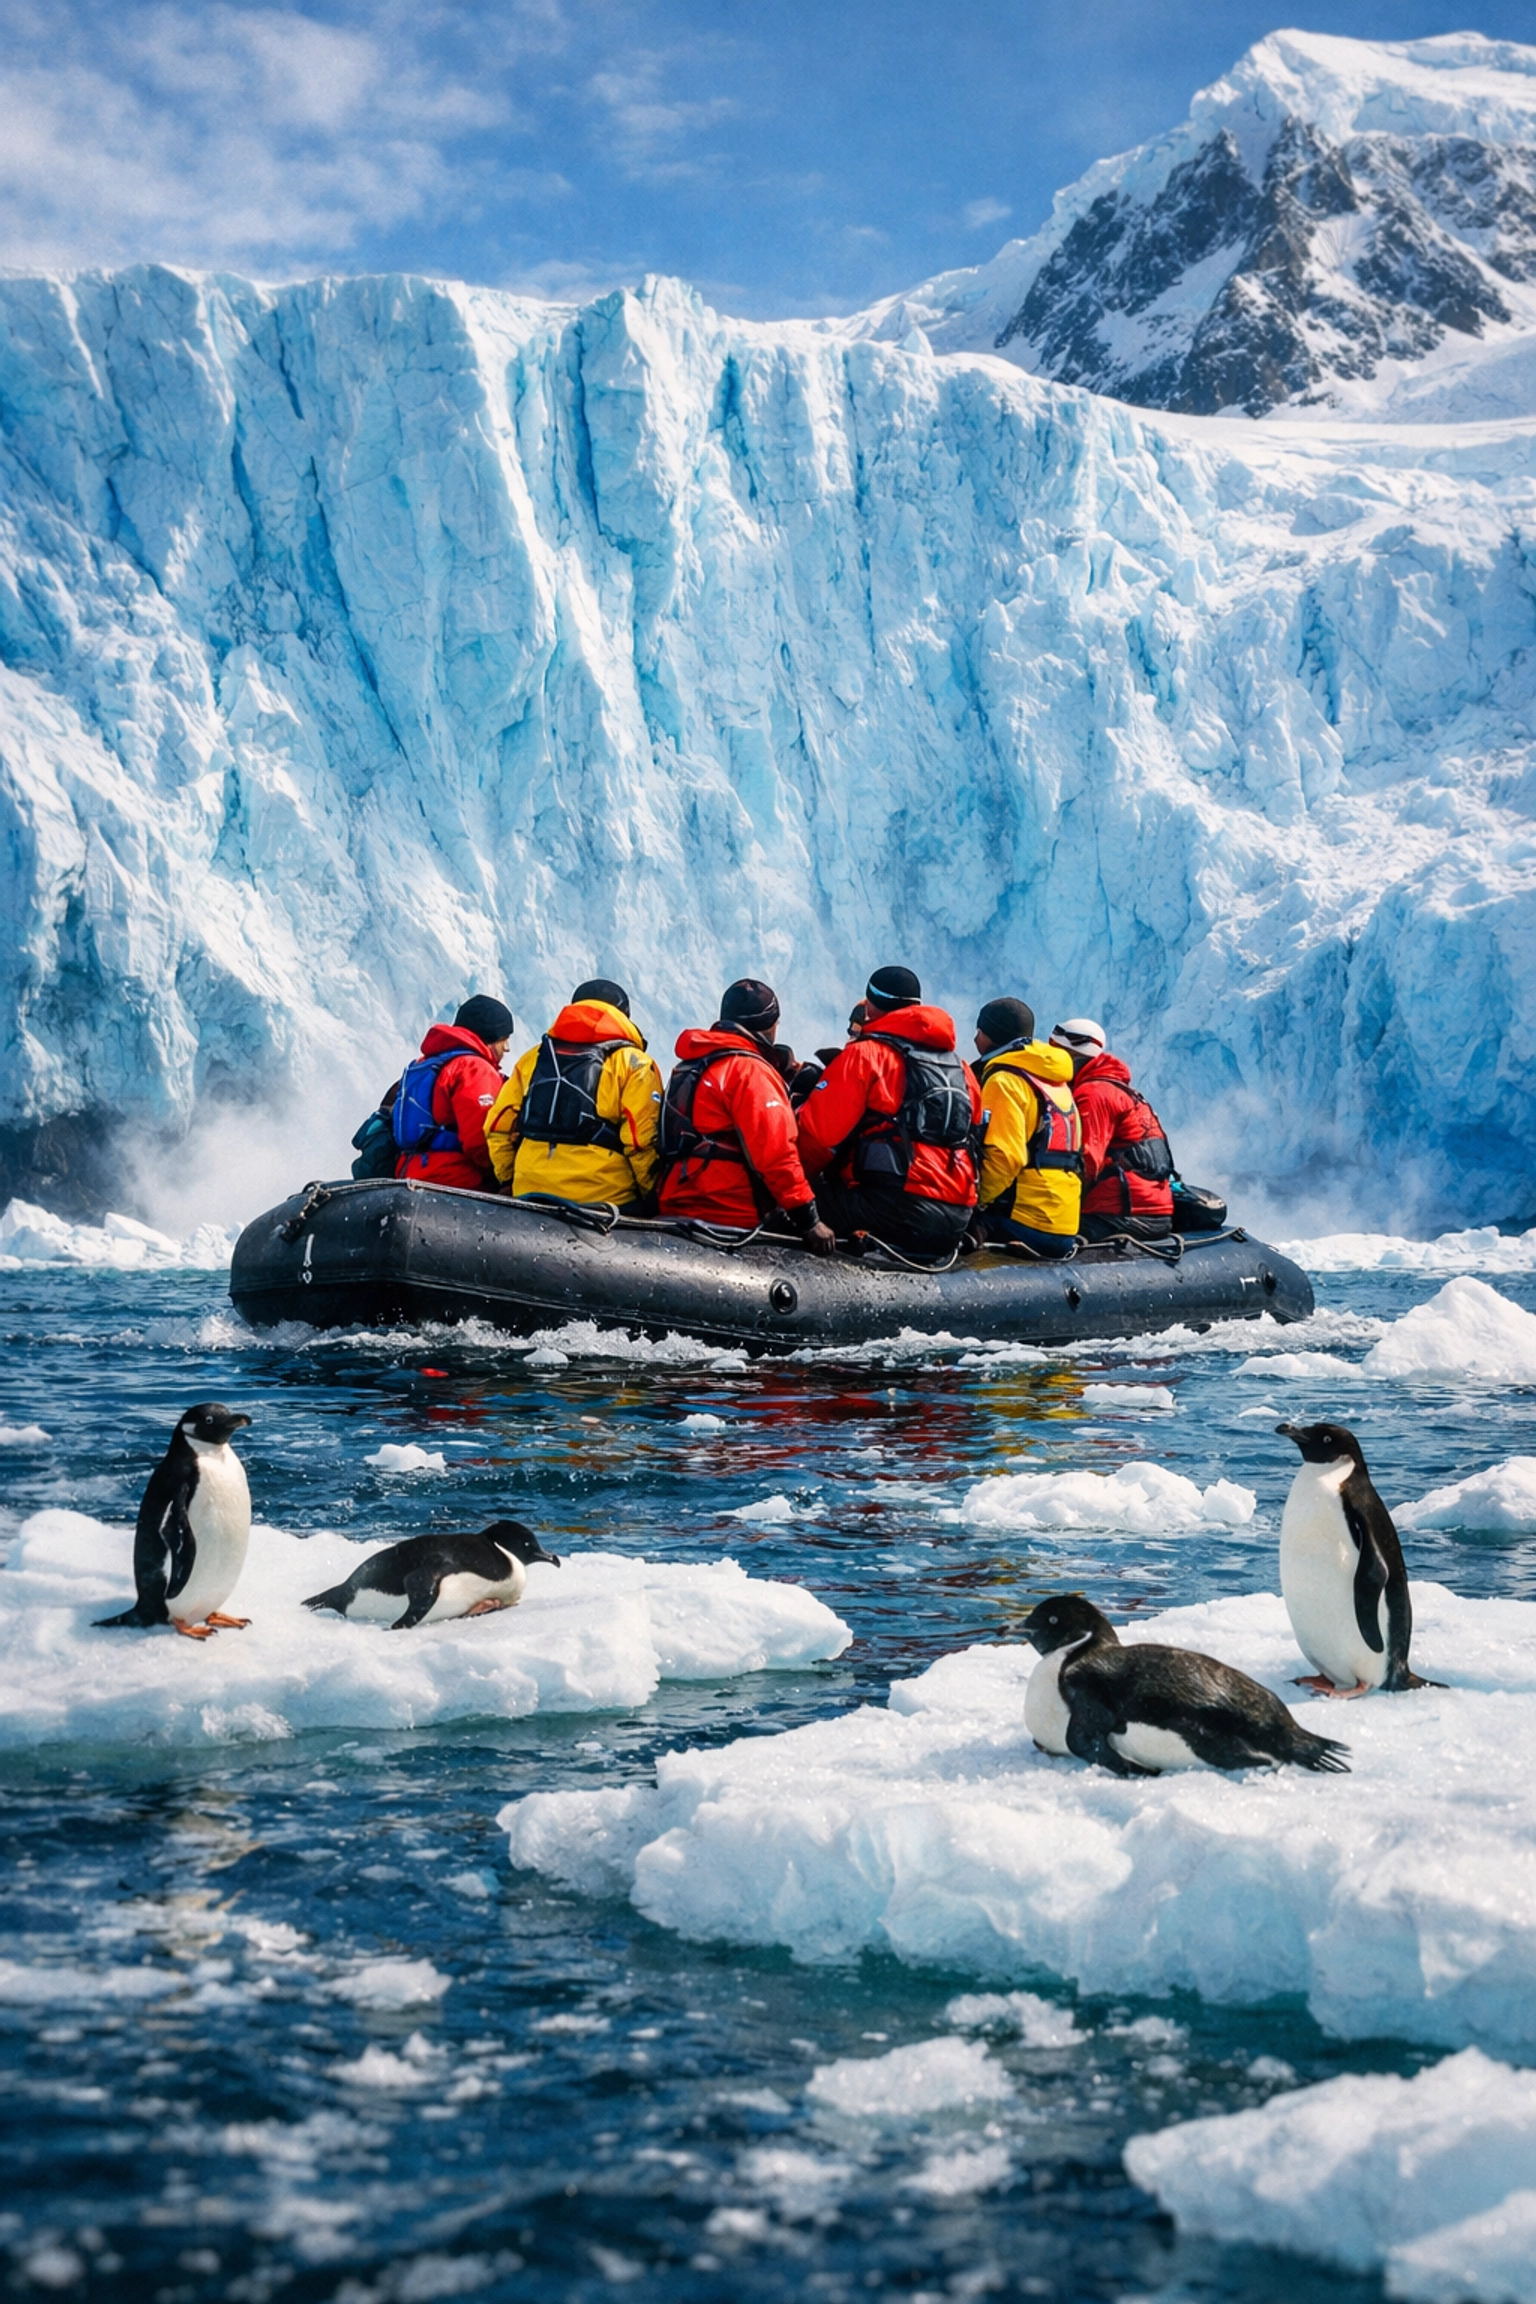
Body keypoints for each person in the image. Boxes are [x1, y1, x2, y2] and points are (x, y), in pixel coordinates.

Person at [797, 967, 981, 1260]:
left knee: (790, 1211)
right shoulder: (962, 1069)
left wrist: (794, 1193)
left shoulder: (866, 1055)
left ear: (869, 1007)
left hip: (891, 1209)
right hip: (956, 1218)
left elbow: (817, 1138)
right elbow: (973, 1141)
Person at [657, 979, 835, 1252]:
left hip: (675, 1204)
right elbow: (775, 1152)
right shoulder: (750, 1071)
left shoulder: (688, 1066)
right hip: (729, 1210)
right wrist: (808, 1220)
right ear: (770, 1025)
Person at [485, 979, 662, 1209]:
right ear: (625, 1016)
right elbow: (642, 1141)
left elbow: (497, 1127)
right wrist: (650, 1196)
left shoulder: (534, 1058)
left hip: (530, 1190)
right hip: (605, 1198)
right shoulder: (635, 1064)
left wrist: (508, 1180)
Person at [969, 997, 1082, 1257]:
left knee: (948, 1224)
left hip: (1025, 1221)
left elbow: (1006, 1157)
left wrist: (976, 1201)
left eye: (979, 1031)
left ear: (992, 1036)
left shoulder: (1003, 1081)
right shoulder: (1055, 1082)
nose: (975, 1039)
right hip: (1066, 1225)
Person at [1050, 1018, 1175, 1241]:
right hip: (1151, 1209)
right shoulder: (1118, 1089)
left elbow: (1087, 1160)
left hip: (1118, 1212)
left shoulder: (1094, 1093)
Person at [393, 995, 514, 1191]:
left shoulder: (422, 1065)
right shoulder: (474, 1068)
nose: (507, 1048)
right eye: (503, 1039)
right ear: (489, 1037)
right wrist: (508, 1174)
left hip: (410, 1174)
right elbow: (479, 1141)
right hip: (456, 1180)